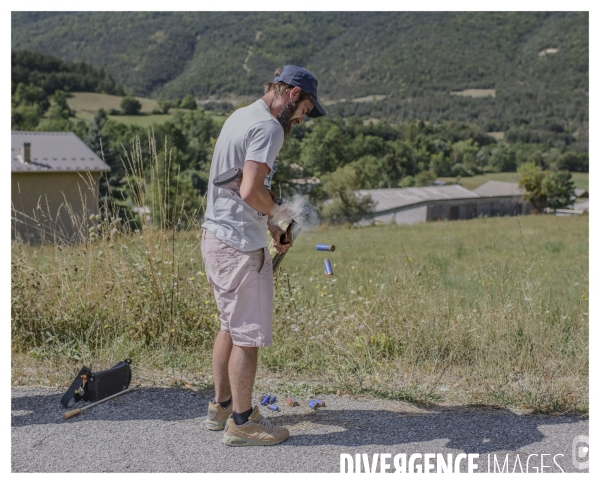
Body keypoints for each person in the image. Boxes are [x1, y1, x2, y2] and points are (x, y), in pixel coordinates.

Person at [201, 65, 326, 446]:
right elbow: (252, 189)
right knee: (248, 337)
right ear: (292, 95)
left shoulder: (242, 115)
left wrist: (269, 226)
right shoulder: (270, 128)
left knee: (230, 325)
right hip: (239, 247)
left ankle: (221, 407)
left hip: (217, 236)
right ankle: (242, 422)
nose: (303, 119)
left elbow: (240, 185)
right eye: (306, 108)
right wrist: (284, 213)